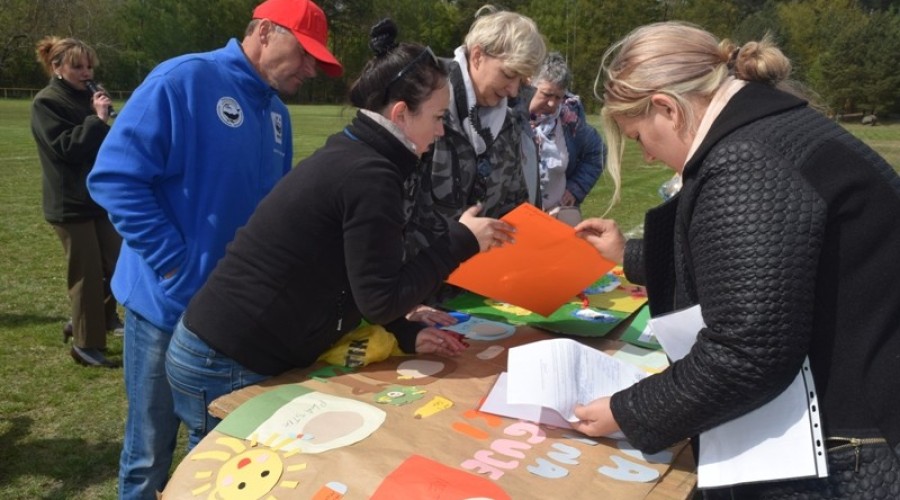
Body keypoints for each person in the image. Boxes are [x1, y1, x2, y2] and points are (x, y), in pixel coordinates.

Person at [572, 21, 900, 498]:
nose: (645, 157)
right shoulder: (774, 128)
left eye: (639, 137)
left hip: (844, 446)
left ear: (667, 108)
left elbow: (747, 352)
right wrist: (630, 255)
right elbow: (763, 263)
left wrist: (630, 412)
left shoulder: (747, 159)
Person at [164, 18, 515, 449]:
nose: (441, 131)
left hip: (235, 349)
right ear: (401, 114)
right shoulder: (370, 175)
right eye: (438, 118)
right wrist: (461, 241)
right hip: (227, 359)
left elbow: (357, 277)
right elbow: (380, 296)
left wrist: (405, 329)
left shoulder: (362, 157)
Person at [86, 0, 343, 497]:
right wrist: (173, 266)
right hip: (165, 307)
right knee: (149, 452)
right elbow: (115, 177)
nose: (311, 69)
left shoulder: (276, 116)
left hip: (231, 319)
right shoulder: (184, 80)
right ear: (265, 32)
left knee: (221, 453)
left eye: (319, 61)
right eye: (305, 54)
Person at [404, 6, 546, 257]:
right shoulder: (423, 107)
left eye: (520, 80)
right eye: (508, 74)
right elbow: (391, 210)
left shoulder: (510, 125)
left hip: (481, 287)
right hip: (421, 287)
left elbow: (514, 208)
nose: (513, 91)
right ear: (478, 55)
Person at [30, 36, 121, 368]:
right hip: (69, 203)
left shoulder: (87, 97)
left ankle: (96, 319)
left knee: (120, 264)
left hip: (96, 198)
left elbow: (102, 145)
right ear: (57, 68)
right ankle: (86, 344)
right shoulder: (46, 102)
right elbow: (66, 148)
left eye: (89, 65)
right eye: (77, 66)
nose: (87, 72)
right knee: (87, 273)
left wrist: (107, 121)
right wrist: (96, 120)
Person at [522, 51, 605, 224]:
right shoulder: (507, 115)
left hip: (557, 218)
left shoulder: (570, 122)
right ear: (529, 83)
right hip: (517, 220)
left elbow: (598, 151)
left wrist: (576, 189)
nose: (552, 103)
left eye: (558, 97)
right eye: (546, 94)